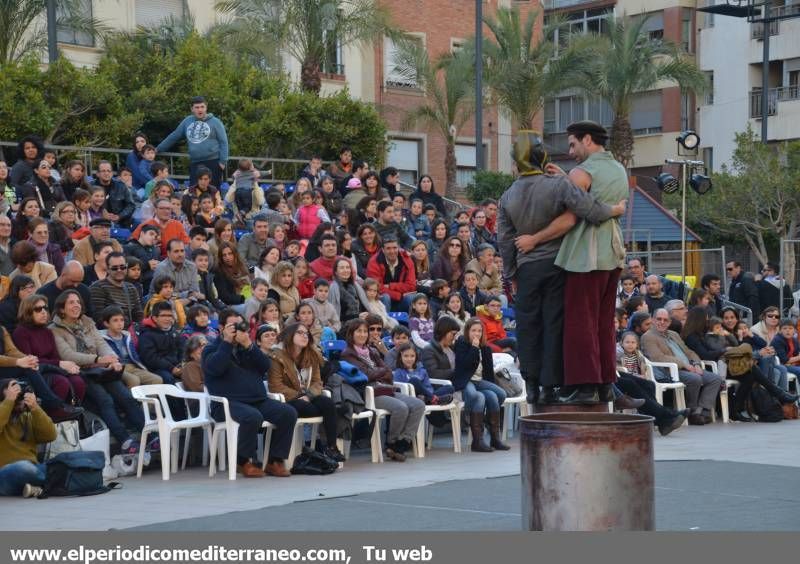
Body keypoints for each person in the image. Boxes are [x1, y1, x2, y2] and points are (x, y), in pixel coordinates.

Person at [203, 308, 297, 477]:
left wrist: (249, 345)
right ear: (221, 328)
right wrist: (226, 343)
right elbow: (215, 369)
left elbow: (264, 367)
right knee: (252, 416)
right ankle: (243, 461)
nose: (237, 330)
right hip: (227, 403)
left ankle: (275, 461)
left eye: (240, 325)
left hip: (257, 400)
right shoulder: (211, 349)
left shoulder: (247, 348)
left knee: (288, 412)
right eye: (232, 326)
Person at [50, 290, 145, 453]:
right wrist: (97, 360)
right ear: (61, 309)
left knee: (126, 397)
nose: (76, 305)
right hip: (79, 372)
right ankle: (125, 441)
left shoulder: (88, 322)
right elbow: (67, 354)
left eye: (78, 302)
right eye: (71, 302)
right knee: (105, 400)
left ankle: (148, 435)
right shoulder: (54, 329)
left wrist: (113, 359)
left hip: (100, 370)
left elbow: (101, 344)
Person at [340, 319, 424, 462]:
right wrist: (380, 371)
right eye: (358, 331)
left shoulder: (372, 351)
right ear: (351, 334)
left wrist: (378, 372)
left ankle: (403, 442)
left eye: (365, 331)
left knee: (418, 405)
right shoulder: (348, 353)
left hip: (383, 388)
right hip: (368, 393)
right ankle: (391, 443)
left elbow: (389, 372)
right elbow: (365, 375)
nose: (362, 334)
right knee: (401, 408)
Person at [267, 323, 345, 462]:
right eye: (300, 333)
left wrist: (308, 396)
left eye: (306, 333)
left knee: (327, 403)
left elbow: (317, 382)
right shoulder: (276, 356)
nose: (305, 336)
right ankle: (314, 447)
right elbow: (276, 386)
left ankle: (332, 447)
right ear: (290, 336)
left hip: (307, 397)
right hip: (287, 399)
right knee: (312, 407)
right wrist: (299, 396)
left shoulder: (311, 354)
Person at [640, 308, 724, 425]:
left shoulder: (673, 334)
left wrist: (697, 364)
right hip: (669, 371)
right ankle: (692, 412)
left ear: (670, 322)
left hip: (689, 368)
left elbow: (689, 352)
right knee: (695, 379)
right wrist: (685, 365)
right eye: (659, 319)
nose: (662, 322)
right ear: (653, 320)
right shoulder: (648, 337)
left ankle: (703, 412)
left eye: (665, 320)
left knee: (715, 379)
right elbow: (658, 357)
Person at [13, 294, 87, 409]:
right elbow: (29, 361)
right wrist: (60, 364)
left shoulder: (47, 331)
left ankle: (73, 414)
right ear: (27, 311)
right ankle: (55, 416)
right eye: (38, 309)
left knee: (78, 381)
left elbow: (54, 357)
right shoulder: (21, 332)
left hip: (51, 368)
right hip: (35, 372)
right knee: (61, 382)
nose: (43, 312)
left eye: (45, 308)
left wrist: (65, 366)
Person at [452, 319, 508, 452]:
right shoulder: (462, 344)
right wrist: (474, 348)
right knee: (475, 396)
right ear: (467, 331)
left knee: (498, 395)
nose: (476, 334)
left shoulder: (486, 348)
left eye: (479, 331)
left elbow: (488, 372)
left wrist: (490, 386)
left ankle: (495, 438)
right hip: (466, 380)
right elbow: (464, 364)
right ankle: (477, 439)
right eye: (473, 331)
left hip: (480, 381)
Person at [615, 332, 686, 436]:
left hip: (612, 374)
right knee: (630, 383)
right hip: (609, 376)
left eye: (633, 342)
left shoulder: (637, 354)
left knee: (649, 384)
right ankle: (664, 417)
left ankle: (660, 420)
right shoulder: (618, 351)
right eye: (627, 342)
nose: (630, 344)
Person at [0, 378, 57, 497]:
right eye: (13, 390)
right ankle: (54, 484)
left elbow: (51, 435)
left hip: (33, 468)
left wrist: (35, 408)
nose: (19, 395)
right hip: (6, 474)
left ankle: (36, 488)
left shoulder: (27, 416)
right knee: (23, 467)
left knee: (61, 463)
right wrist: (9, 401)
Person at [156, 96, 228, 186]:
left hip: (213, 161)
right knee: (194, 190)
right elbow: (174, 136)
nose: (200, 110)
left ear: (206, 107)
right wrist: (157, 149)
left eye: (202, 107)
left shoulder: (216, 122)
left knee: (212, 191)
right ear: (192, 109)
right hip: (195, 162)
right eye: (197, 107)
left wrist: (222, 162)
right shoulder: (187, 121)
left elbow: (223, 142)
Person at [99, 305, 162, 388]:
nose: (119, 323)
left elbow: (134, 355)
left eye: (122, 320)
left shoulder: (127, 336)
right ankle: (132, 401)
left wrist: (142, 367)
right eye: (115, 320)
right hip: (118, 368)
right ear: (106, 323)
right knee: (134, 380)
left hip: (132, 366)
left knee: (157, 379)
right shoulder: (102, 338)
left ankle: (147, 401)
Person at [89, 251, 143, 328]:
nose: (119, 270)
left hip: (129, 334)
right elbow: (99, 318)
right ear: (107, 269)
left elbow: (138, 315)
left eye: (122, 267)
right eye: (114, 268)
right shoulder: (98, 288)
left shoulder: (131, 288)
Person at [366, 235, 416, 312]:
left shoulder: (407, 259)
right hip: (385, 300)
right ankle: (384, 322)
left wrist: (390, 286)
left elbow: (411, 286)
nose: (392, 251)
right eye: (388, 248)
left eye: (395, 248)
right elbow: (376, 288)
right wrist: (398, 295)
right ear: (382, 250)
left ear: (399, 248)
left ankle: (411, 322)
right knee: (385, 297)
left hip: (402, 300)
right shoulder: (374, 262)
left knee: (411, 298)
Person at [150, 238, 201, 303]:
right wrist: (186, 295)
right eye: (176, 251)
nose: (180, 254)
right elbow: (163, 295)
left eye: (182, 251)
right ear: (168, 253)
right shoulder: (161, 268)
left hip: (188, 302)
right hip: (165, 304)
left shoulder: (192, 266)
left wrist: (186, 300)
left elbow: (195, 291)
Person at [91, 161, 135, 227]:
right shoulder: (90, 187)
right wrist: (101, 212)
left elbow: (131, 205)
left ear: (112, 173)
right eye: (103, 171)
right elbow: (86, 204)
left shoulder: (121, 186)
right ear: (98, 174)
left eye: (109, 171)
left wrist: (119, 216)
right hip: (98, 220)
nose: (106, 173)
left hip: (120, 220)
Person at [328, 258, 369, 326]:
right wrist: (357, 316)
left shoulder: (356, 286)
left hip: (360, 322)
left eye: (348, 267)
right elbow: (335, 317)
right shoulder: (333, 288)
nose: (345, 270)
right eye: (342, 268)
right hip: (343, 325)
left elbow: (365, 307)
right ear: (336, 271)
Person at [214, 242, 251, 307]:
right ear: (221, 258)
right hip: (232, 304)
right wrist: (243, 299)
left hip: (248, 298)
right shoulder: (219, 272)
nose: (227, 257)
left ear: (235, 254)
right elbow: (224, 296)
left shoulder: (243, 267)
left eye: (230, 254)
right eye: (224, 255)